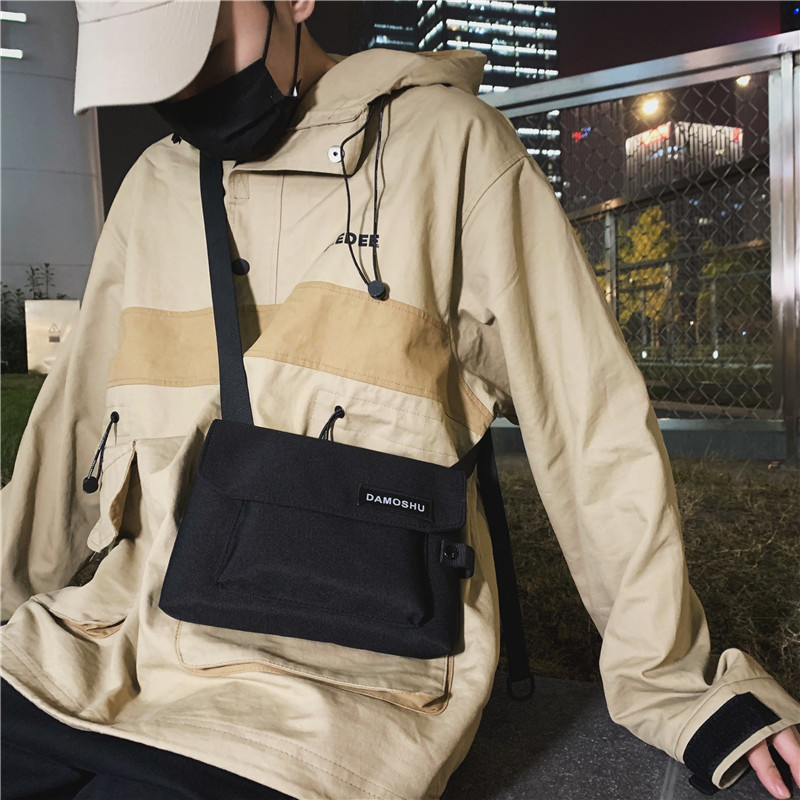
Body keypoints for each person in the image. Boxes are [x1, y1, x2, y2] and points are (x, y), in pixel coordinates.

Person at [2, 2, 799, 799]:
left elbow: (587, 418)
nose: (187, 89)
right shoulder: (155, 184)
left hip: (331, 684)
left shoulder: (450, 149)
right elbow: (74, 421)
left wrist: (676, 686)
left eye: (204, 48)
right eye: (154, 69)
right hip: (100, 645)